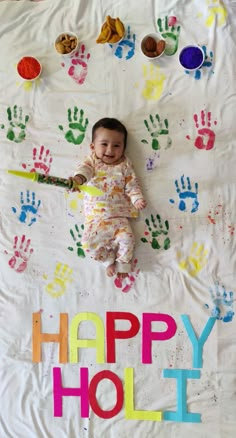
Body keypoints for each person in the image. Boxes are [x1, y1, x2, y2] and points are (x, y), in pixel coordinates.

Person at [69, 117, 146, 278]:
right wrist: (77, 180)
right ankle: (109, 260)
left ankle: (123, 266)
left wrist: (137, 198)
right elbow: (85, 171)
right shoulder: (93, 162)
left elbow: (132, 184)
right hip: (96, 219)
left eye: (117, 145)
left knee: (127, 239)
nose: (110, 150)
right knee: (87, 244)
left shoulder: (125, 165)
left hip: (119, 218)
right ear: (93, 146)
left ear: (124, 148)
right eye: (104, 144)